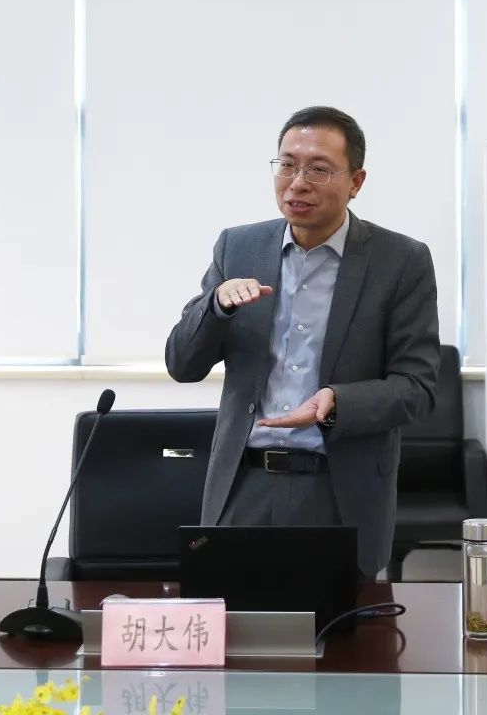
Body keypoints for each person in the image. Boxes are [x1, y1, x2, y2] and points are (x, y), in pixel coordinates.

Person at [165, 105, 440, 579]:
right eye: (287, 165)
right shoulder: (238, 247)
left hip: (337, 489)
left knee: (338, 625)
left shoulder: (400, 261)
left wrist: (337, 402)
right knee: (237, 621)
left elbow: (418, 387)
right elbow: (182, 363)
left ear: (356, 182)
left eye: (318, 169)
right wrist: (216, 306)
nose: (297, 183)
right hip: (241, 486)